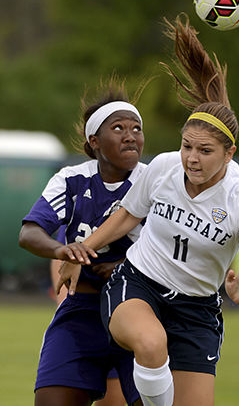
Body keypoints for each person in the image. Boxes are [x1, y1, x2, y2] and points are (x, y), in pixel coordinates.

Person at [58, 15, 239, 406]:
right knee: (150, 341)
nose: (191, 159)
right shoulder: (164, 166)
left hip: (196, 310)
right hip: (138, 284)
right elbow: (127, 215)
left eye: (205, 151)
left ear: (230, 154)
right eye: (187, 146)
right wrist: (81, 252)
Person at [18, 76, 146, 406]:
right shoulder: (71, 180)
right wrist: (63, 250)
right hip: (81, 313)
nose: (130, 135)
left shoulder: (154, 180)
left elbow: (171, 245)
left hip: (140, 310)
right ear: (95, 141)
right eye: (118, 128)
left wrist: (123, 265)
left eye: (136, 128)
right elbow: (29, 233)